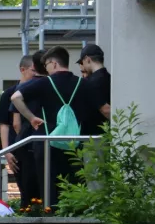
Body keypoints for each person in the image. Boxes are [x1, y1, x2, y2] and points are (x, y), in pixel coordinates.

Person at [11, 46, 110, 206]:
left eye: (47, 65)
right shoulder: (83, 83)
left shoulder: (44, 83)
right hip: (74, 145)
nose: (46, 69)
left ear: (54, 63)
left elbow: (15, 97)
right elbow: (105, 109)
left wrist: (31, 118)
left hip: (48, 143)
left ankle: (50, 214)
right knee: (75, 187)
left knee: (50, 191)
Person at [0, 56, 41, 206]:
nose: (36, 75)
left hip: (34, 145)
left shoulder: (40, 90)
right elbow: (5, 124)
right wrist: (7, 151)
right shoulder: (9, 94)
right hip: (19, 148)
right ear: (23, 70)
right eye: (33, 71)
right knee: (25, 189)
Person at [77, 44, 111, 138]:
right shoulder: (110, 78)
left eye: (83, 62)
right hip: (108, 134)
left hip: (93, 137)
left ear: (87, 59)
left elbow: (105, 109)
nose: (83, 66)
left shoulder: (90, 82)